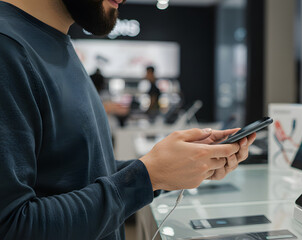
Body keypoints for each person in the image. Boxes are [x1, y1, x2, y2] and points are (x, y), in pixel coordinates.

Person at [0, 0, 256, 240]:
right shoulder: (7, 48)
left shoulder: (54, 42)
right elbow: (12, 226)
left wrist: (167, 169)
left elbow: (81, 173)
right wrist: (147, 177)